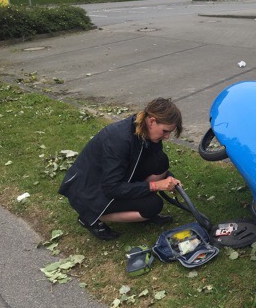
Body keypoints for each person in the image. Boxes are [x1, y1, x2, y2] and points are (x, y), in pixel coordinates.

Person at [59, 97, 183, 240]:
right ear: (152, 121)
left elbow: (150, 158)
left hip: (114, 178)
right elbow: (111, 188)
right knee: (153, 205)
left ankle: (137, 206)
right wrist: (155, 185)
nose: (167, 137)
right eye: (165, 131)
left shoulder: (143, 129)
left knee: (161, 161)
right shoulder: (120, 140)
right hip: (90, 190)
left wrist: (168, 179)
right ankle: (91, 215)